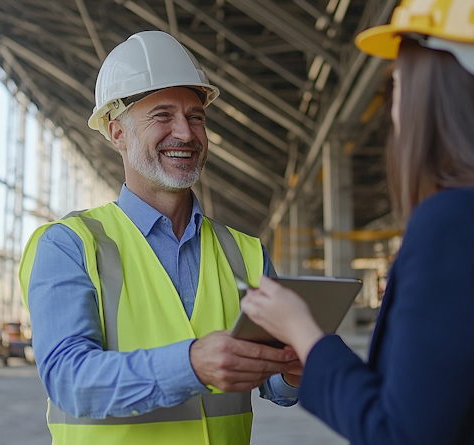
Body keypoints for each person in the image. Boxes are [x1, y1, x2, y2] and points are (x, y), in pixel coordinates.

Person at [240, 0, 474, 443]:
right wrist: (316, 353)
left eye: (397, 84)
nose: (394, 107)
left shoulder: (457, 223)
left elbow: (399, 434)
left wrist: (301, 329)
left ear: (439, 88)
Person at [19, 31, 300, 445]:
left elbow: (276, 385)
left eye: (196, 117)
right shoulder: (69, 245)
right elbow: (69, 381)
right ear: (117, 134)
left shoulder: (247, 253)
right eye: (162, 116)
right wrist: (192, 365)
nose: (185, 133)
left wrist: (295, 367)